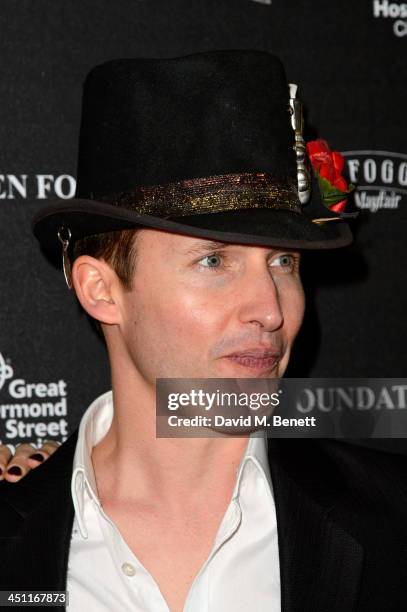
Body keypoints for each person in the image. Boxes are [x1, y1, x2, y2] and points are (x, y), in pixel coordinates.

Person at [1, 50, 407, 612]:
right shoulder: (14, 541)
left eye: (283, 262)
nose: (270, 309)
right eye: (213, 262)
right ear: (101, 290)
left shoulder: (394, 519)